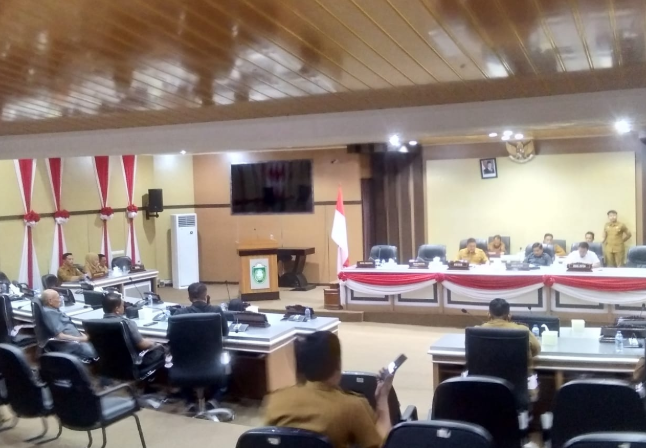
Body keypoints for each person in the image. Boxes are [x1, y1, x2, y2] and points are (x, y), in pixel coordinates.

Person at [264, 331, 393, 448]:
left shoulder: (275, 400)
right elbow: (382, 444)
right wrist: (382, 398)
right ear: (338, 365)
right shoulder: (352, 406)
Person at [101, 292, 165, 371]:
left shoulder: (97, 324)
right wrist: (153, 342)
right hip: (134, 364)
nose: (124, 308)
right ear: (117, 309)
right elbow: (142, 345)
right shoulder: (127, 323)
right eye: (122, 305)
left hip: (110, 364)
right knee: (161, 348)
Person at [40, 289, 97, 359]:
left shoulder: (54, 310)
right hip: (73, 345)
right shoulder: (50, 313)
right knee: (99, 353)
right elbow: (60, 336)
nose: (60, 300)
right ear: (50, 301)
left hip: (79, 341)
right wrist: (80, 339)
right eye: (58, 298)